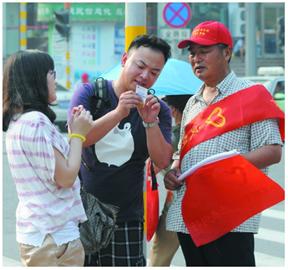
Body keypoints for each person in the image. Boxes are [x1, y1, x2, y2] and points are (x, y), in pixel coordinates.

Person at [164, 21, 283, 266]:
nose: (197, 58)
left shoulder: (253, 95)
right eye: (192, 53)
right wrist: (174, 170)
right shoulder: (192, 103)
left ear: (227, 52)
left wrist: (223, 169)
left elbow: (272, 151)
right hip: (190, 216)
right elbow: (181, 151)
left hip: (230, 216)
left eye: (204, 51)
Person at [68, 34, 173, 266]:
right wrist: (118, 113)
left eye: (154, 72)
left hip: (126, 217)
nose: (145, 76)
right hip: (79, 214)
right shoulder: (90, 94)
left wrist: (150, 123)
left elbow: (163, 160)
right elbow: (79, 139)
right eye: (140, 65)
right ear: (125, 59)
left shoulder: (159, 109)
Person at [3, 50, 93, 266]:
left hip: (38, 233)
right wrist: (79, 134)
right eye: (52, 73)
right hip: (54, 236)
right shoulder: (37, 122)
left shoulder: (19, 121)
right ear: (37, 78)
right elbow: (65, 177)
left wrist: (73, 132)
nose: (55, 79)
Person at [149, 94, 192, 266]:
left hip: (174, 205)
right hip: (195, 205)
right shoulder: (198, 130)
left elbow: (158, 163)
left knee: (160, 257)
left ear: (173, 110)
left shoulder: (175, 135)